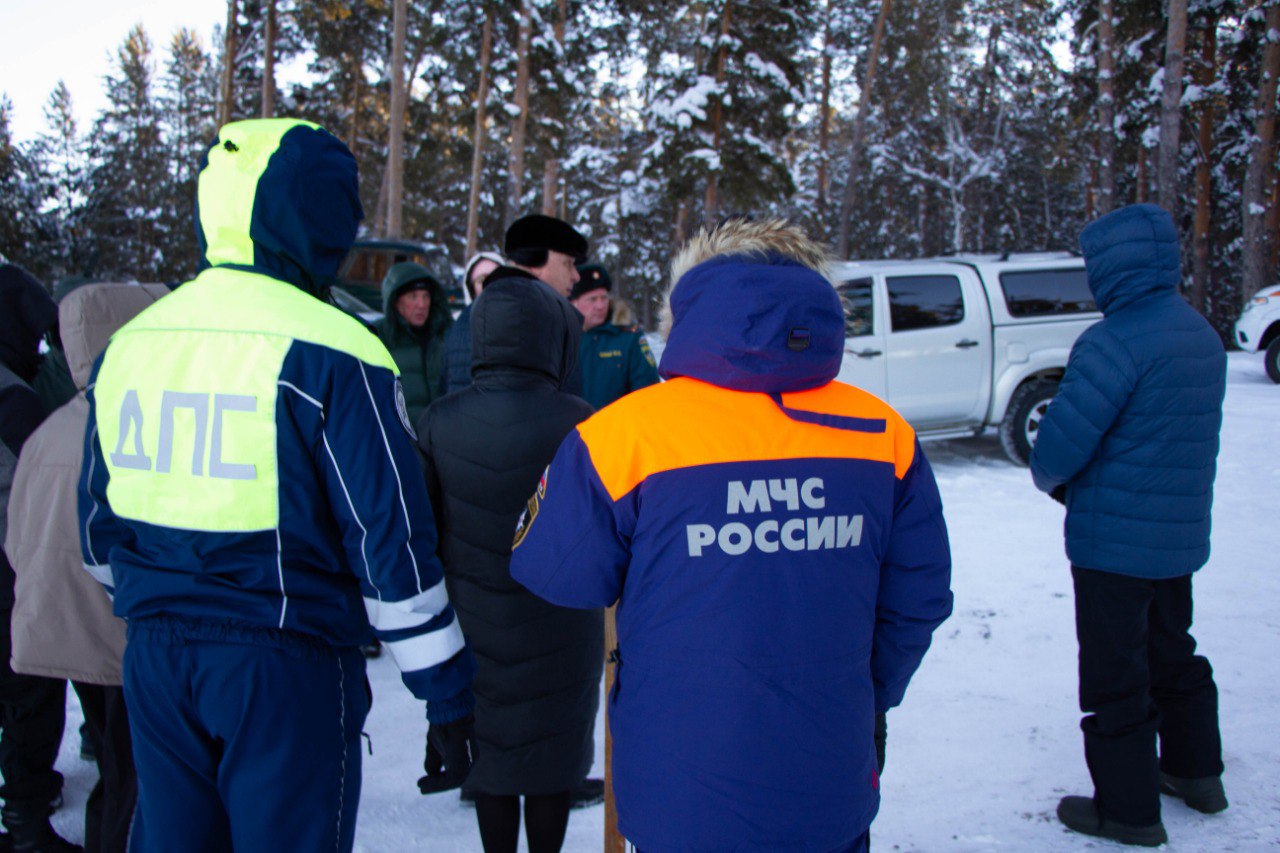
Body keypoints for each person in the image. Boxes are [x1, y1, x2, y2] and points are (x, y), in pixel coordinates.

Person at [77, 118, 476, 852]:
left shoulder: (131, 344)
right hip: (283, 661)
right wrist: (444, 688)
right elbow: (388, 538)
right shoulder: (336, 347)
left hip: (157, 657)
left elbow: (97, 528)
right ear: (323, 217)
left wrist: (156, 600)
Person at [509, 218, 954, 852]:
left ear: (685, 309)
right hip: (827, 768)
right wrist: (858, 691)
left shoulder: (625, 434)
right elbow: (921, 596)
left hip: (678, 780)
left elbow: (554, 570)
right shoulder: (882, 433)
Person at [1029, 203, 1228, 848]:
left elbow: (1059, 447)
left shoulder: (1113, 341)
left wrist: (1055, 478)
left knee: (1116, 676)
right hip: (1176, 537)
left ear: (1111, 267)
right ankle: (1197, 774)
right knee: (1175, 650)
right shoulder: (1198, 332)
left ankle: (1130, 811)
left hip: (1113, 547)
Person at [419, 278, 601, 853]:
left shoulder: (439, 421)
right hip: (563, 625)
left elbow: (424, 533)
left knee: (490, 757)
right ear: (553, 339)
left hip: (473, 625)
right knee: (552, 760)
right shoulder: (582, 421)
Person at [7, 282, 170, 853]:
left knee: (116, 763)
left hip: (66, 632)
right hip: (126, 638)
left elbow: (17, 535)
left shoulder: (53, 426)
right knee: (137, 779)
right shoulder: (141, 430)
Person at [1, 264, 78, 852]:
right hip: (12, 563)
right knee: (31, 681)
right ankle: (25, 818)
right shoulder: (13, 395)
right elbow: (46, 469)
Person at [569, 264, 659, 410]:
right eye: (592, 299)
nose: (600, 305)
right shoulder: (562, 338)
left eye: (604, 298)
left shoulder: (629, 339)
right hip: (571, 431)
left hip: (616, 430)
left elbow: (648, 394)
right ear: (574, 302)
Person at [376, 261, 453, 426]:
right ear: (396, 301)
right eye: (413, 296)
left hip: (440, 440)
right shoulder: (379, 336)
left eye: (426, 296)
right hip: (400, 440)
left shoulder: (444, 335)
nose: (422, 304)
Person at [440, 251, 503, 396]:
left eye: (496, 277)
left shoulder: (522, 321)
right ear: (472, 288)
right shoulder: (458, 328)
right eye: (482, 280)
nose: (490, 284)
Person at [488, 214, 588, 300]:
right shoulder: (523, 311)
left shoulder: (499, 301)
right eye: (567, 263)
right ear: (534, 262)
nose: (576, 277)